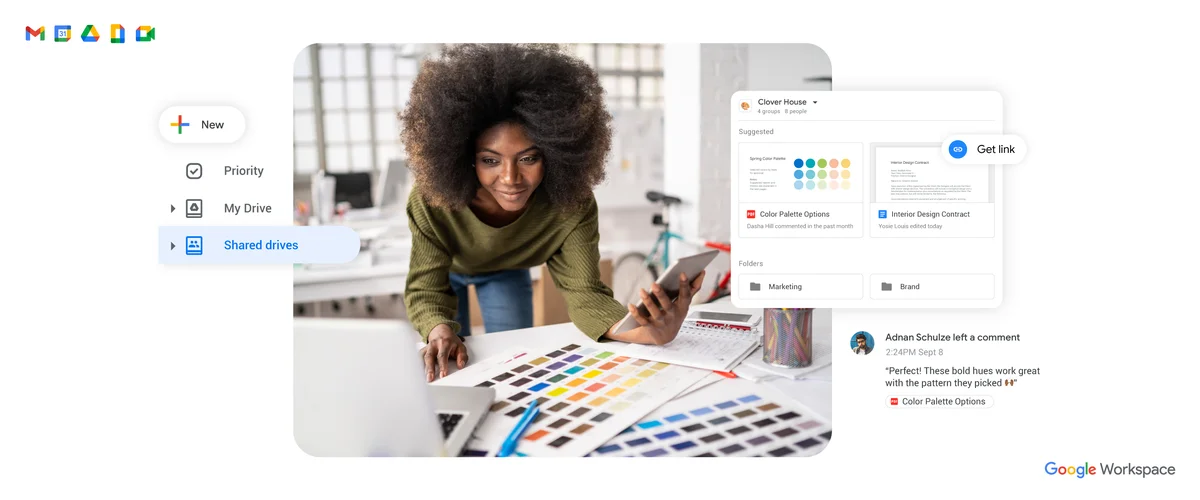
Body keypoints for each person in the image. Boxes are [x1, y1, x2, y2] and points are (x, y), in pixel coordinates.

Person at [401, 44, 706, 381]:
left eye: (528, 158)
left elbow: (585, 292)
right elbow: (426, 287)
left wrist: (648, 333)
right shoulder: (432, 199)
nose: (510, 179)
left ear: (554, 153)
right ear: (465, 157)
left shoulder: (570, 203)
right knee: (446, 357)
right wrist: (438, 328)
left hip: (505, 270)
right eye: (490, 160)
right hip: (448, 272)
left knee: (509, 365)